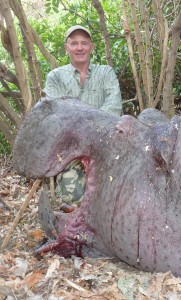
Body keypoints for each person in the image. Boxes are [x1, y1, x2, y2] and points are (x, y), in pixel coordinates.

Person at [44, 25, 123, 203]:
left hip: (108, 144)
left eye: (84, 43)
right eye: (74, 43)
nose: (79, 48)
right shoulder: (55, 77)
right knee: (69, 198)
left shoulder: (106, 72)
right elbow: (59, 117)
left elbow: (114, 107)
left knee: (119, 197)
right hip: (73, 149)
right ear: (67, 48)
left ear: (91, 47)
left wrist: (92, 132)